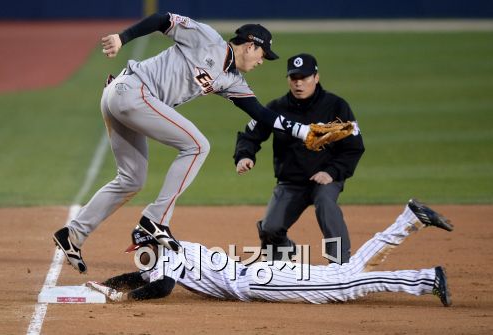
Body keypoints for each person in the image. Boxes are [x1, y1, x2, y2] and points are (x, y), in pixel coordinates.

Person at [52, 13, 328, 274]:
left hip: (125, 98)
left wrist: (303, 132)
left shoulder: (232, 80)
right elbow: (163, 20)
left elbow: (262, 114)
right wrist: (123, 38)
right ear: (249, 45)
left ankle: (73, 234)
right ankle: (155, 220)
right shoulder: (206, 38)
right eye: (263, 54)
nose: (262, 61)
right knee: (197, 145)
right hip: (131, 92)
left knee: (131, 179)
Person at [86, 199, 453, 306]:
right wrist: (109, 283)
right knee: (347, 274)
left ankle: (424, 276)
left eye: (141, 248)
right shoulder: (175, 251)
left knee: (344, 286)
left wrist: (127, 297)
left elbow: (161, 287)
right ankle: (408, 222)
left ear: (152, 243)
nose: (140, 255)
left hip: (262, 282)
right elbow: (148, 276)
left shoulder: (169, 257)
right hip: (264, 274)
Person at [234, 53, 365, 264]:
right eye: (294, 78)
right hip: (291, 182)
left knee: (325, 203)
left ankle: (340, 264)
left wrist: (331, 172)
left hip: (325, 179)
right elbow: (250, 136)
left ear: (316, 77)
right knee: (270, 228)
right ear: (288, 79)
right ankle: (283, 263)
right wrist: (245, 156)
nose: (299, 83)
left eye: (304, 78)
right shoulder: (275, 109)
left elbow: (354, 147)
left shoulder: (336, 106)